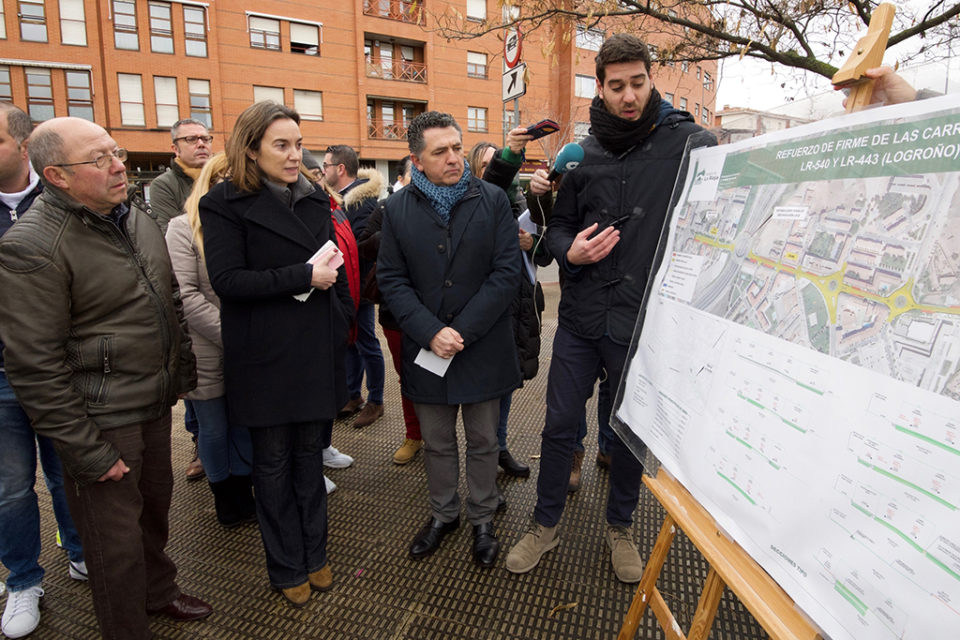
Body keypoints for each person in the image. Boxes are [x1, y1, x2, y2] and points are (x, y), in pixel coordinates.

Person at [505, 33, 715, 583]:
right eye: (616, 86)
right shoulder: (584, 153)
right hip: (579, 319)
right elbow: (557, 229)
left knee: (627, 432)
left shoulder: (689, 143)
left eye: (637, 83)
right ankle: (545, 524)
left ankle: (619, 527)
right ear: (599, 87)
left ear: (651, 80)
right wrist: (567, 251)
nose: (628, 96)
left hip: (641, 323)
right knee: (558, 425)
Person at [0, 117, 211, 639]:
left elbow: (169, 299)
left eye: (116, 152)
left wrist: (181, 371)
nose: (119, 166)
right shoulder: (33, 244)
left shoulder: (133, 216)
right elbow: (34, 365)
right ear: (57, 175)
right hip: (100, 419)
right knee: (112, 545)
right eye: (100, 159)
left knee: (153, 514)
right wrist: (86, 451)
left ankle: (158, 591)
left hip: (152, 403)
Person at [199, 101, 353, 607]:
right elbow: (227, 281)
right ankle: (285, 565)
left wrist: (340, 322)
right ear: (251, 149)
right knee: (272, 465)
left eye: (298, 144)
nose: (294, 155)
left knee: (309, 460)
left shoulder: (314, 197)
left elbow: (332, 263)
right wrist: (302, 276)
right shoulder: (223, 203)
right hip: (263, 355)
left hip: (313, 349)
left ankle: (315, 553)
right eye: (281, 145)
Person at [377, 111, 521, 567]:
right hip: (427, 350)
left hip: (482, 346)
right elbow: (392, 279)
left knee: (484, 441)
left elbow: (506, 273)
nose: (454, 158)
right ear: (417, 161)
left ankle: (483, 517)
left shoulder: (492, 199)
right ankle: (444, 514)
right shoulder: (396, 209)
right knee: (437, 442)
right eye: (440, 151)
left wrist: (460, 330)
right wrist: (429, 332)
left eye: (457, 147)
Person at [0, 103, 87, 640]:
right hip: (1, 376)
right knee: (10, 488)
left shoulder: (66, 197)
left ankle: (80, 552)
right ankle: (24, 580)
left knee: (69, 472)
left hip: (63, 370)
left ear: (24, 144)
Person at [165, 152, 257, 528]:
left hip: (245, 345)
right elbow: (185, 295)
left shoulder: (245, 224)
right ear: (209, 182)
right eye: (225, 180)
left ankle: (245, 492)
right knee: (215, 429)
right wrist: (233, 335)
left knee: (244, 424)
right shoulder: (182, 228)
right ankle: (225, 498)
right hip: (205, 348)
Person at [466, 137, 538, 480]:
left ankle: (500, 448)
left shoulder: (518, 202)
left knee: (508, 384)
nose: (496, 170)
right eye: (486, 165)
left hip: (519, 306)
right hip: (488, 311)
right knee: (486, 394)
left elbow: (544, 252)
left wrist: (532, 242)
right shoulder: (472, 203)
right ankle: (484, 457)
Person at [150, 117, 215, 482]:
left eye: (205, 138)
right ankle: (199, 445)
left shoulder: (221, 175)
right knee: (196, 378)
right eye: (191, 139)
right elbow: (170, 232)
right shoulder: (165, 185)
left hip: (217, 291)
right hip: (185, 289)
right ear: (174, 148)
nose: (201, 144)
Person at [356, 158, 425, 465]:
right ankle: (414, 434)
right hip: (395, 313)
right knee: (407, 376)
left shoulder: (443, 206)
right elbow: (363, 247)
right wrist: (397, 230)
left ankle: (438, 436)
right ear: (401, 178)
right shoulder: (387, 209)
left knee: (439, 375)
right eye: (415, 174)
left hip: (436, 310)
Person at [301, 149, 357, 489]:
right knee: (308, 399)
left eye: (318, 174)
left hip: (335, 313)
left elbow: (342, 260)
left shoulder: (333, 209)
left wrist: (346, 309)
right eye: (312, 176)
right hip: (309, 321)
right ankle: (308, 464)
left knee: (328, 393)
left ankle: (322, 447)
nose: (316, 181)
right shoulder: (306, 213)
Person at [322, 145, 386, 429]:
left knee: (366, 342)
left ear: (340, 169)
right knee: (350, 342)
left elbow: (363, 248)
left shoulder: (361, 202)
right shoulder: (342, 200)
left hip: (358, 286)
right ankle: (352, 394)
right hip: (345, 285)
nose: (323, 171)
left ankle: (376, 400)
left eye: (326, 166)